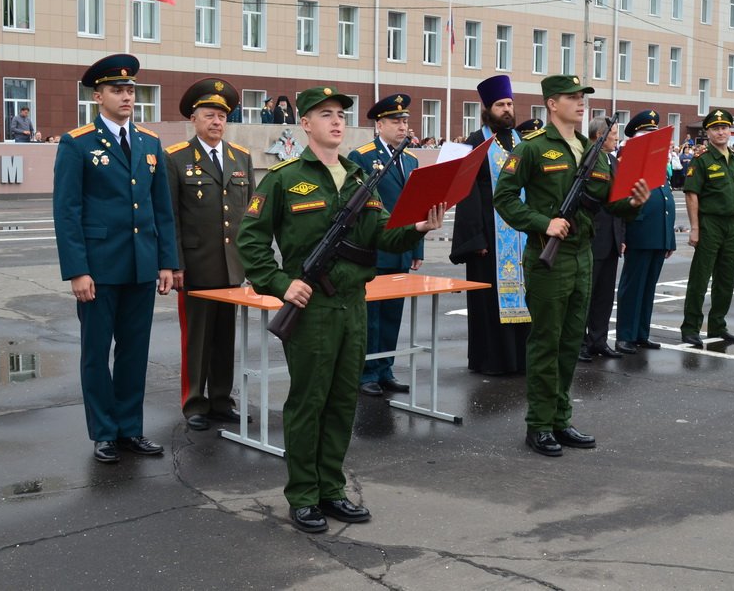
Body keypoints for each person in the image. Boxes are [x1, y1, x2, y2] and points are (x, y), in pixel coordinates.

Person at [237, 86, 445, 534]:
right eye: (325, 114)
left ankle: (331, 488)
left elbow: (381, 238)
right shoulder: (284, 178)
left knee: (341, 401)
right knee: (309, 402)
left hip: (353, 306)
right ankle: (303, 494)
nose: (336, 121)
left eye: (340, 115)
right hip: (310, 309)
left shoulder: (357, 178)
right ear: (306, 124)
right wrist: (279, 284)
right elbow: (250, 239)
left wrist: (416, 227)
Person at [493, 75, 648, 457]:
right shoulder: (532, 148)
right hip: (549, 258)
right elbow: (505, 198)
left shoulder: (589, 149)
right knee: (546, 342)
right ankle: (539, 424)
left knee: (569, 343)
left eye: (583, 98)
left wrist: (634, 202)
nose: (581, 104)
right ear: (551, 104)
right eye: (573, 98)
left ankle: (561, 418)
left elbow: (610, 202)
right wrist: (542, 223)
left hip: (582, 256)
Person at [52, 53, 178, 464]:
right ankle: (104, 432)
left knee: (134, 351)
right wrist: (77, 270)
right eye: (117, 90)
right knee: (96, 352)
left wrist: (166, 263)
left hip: (141, 265)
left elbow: (162, 210)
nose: (127, 96)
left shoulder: (148, 142)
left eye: (130, 90)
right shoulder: (78, 142)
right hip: (99, 268)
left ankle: (130, 429)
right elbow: (67, 210)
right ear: (98, 95)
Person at [166, 78, 255, 432]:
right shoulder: (176, 159)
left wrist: (250, 261)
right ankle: (194, 403)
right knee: (197, 340)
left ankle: (221, 399)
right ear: (193, 119)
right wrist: (175, 265)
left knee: (224, 339)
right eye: (209, 115)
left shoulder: (241, 158)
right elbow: (170, 216)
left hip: (231, 268)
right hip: (196, 267)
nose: (216, 122)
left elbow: (250, 216)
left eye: (221, 116)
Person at [449, 75, 530, 376]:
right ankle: (492, 361)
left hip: (522, 239)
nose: (507, 109)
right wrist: (476, 239)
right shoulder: (475, 143)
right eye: (500, 105)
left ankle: (521, 359)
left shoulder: (522, 142)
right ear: (487, 109)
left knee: (526, 297)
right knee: (489, 304)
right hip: (489, 240)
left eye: (509, 104)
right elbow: (466, 195)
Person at [348, 93, 421, 396]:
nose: (402, 126)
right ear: (379, 124)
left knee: (392, 315)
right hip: (375, 250)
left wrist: (416, 249)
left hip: (401, 250)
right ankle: (366, 372)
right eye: (395, 121)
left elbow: (417, 206)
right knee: (372, 318)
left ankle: (385, 369)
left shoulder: (410, 159)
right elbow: (357, 207)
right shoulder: (362, 157)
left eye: (405, 120)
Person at [680, 109, 734, 348]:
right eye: (716, 128)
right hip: (710, 223)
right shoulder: (702, 160)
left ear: (730, 131)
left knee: (726, 277)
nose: (721, 131)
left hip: (731, 225)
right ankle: (690, 327)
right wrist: (695, 228)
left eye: (725, 127)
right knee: (700, 277)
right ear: (707, 132)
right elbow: (692, 195)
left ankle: (718, 324)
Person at [614, 110, 676, 353]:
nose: (654, 138)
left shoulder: (658, 162)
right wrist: (623, 237)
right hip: (638, 233)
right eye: (648, 134)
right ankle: (625, 335)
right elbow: (619, 202)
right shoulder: (630, 160)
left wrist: (669, 238)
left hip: (657, 234)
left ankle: (641, 333)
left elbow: (665, 200)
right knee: (633, 287)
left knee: (649, 287)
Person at [578, 114, 625, 362]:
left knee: (605, 296)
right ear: (600, 136)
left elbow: (619, 201)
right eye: (614, 133)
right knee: (586, 295)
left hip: (612, 239)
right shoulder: (590, 159)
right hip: (593, 237)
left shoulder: (613, 161)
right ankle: (581, 343)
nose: (617, 137)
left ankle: (599, 340)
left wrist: (622, 235)